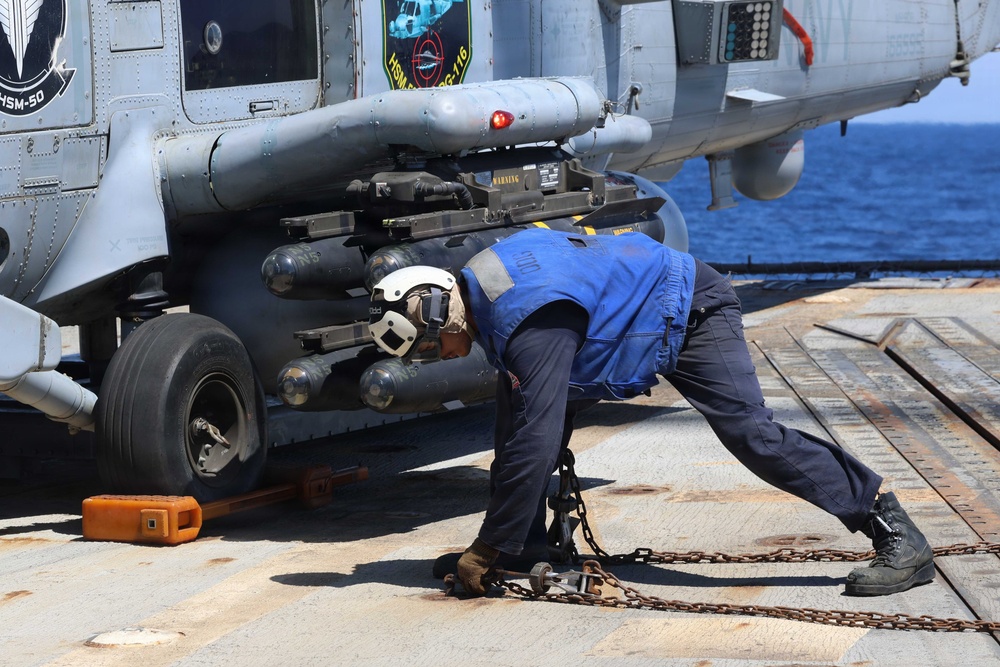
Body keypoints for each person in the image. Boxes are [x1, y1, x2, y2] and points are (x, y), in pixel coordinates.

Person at [368, 228, 935, 597]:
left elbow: (538, 443)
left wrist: (483, 548)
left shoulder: (527, 320)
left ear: (439, 313)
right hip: (623, 324)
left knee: (751, 434)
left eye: (424, 346)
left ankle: (893, 530)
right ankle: (523, 546)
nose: (434, 357)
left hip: (690, 311)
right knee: (517, 418)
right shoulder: (485, 285)